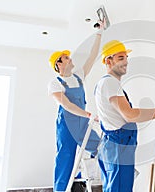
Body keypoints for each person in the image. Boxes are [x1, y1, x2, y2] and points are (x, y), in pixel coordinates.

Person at [94, 40, 155, 192]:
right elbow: (130, 115)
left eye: (126, 57)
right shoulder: (110, 83)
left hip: (114, 146)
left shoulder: (107, 84)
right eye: (120, 58)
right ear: (108, 60)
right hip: (118, 147)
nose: (125, 61)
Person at [47, 21, 105, 192]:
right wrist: (87, 114)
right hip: (66, 126)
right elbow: (66, 104)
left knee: (102, 148)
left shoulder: (78, 76)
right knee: (65, 161)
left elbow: (92, 57)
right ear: (58, 64)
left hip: (81, 124)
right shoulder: (55, 83)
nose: (70, 58)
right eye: (66, 58)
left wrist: (99, 34)